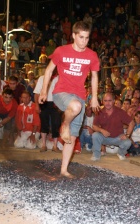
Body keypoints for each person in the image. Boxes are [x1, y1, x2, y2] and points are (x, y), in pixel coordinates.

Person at [39, 21, 100, 178]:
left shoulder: (91, 55)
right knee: (75, 106)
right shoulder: (61, 51)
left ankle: (64, 170)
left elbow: (94, 76)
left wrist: (93, 98)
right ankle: (64, 124)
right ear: (73, 35)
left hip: (79, 96)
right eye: (81, 37)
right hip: (61, 93)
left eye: (87, 38)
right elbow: (48, 70)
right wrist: (44, 91)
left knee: (72, 137)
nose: (84, 41)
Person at [91, 93, 134, 161]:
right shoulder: (99, 112)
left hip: (118, 137)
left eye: (109, 100)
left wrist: (127, 135)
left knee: (128, 142)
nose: (107, 103)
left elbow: (131, 122)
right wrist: (101, 130)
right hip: (104, 137)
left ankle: (121, 153)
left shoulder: (120, 112)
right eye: (105, 101)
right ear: (102, 101)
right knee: (95, 135)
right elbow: (94, 126)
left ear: (114, 101)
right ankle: (96, 155)